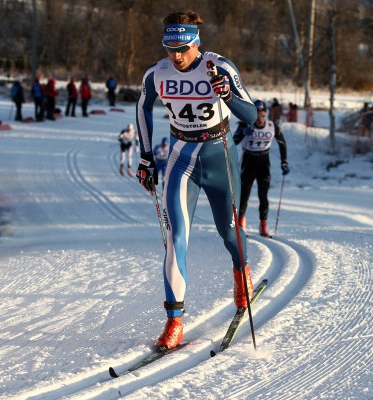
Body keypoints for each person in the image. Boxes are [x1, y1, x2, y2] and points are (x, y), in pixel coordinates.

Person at [135, 10, 257, 349]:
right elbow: (143, 107)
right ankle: (174, 321)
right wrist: (146, 155)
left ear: (196, 43)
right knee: (176, 239)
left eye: (183, 48)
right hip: (180, 157)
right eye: (169, 48)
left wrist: (228, 95)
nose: (175, 56)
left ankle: (241, 272)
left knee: (229, 231)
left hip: (219, 153)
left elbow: (252, 114)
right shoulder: (157, 73)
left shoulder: (220, 67)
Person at [234, 100, 289, 237]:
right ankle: (241, 225)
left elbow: (282, 143)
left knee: (263, 195)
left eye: (263, 115)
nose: (260, 118)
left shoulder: (271, 126)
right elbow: (232, 142)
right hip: (248, 161)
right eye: (257, 115)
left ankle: (263, 226)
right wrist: (241, 133)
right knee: (244, 195)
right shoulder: (245, 125)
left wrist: (284, 161)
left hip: (264, 162)